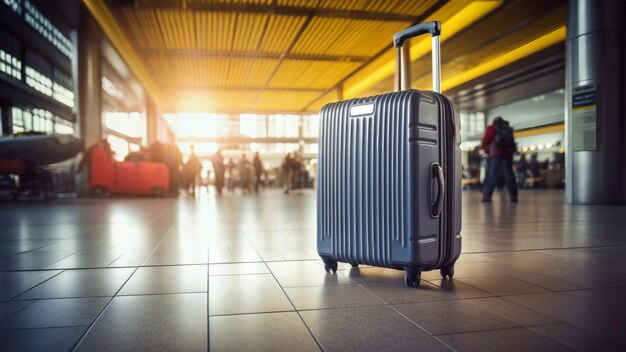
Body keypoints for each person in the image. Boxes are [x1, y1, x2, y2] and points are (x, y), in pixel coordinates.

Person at [481, 116, 518, 202]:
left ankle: (487, 196)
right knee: (509, 174)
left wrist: (486, 150)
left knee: (493, 174)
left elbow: (485, 141)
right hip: (508, 154)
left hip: (496, 154)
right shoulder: (508, 128)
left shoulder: (491, 128)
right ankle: (513, 196)